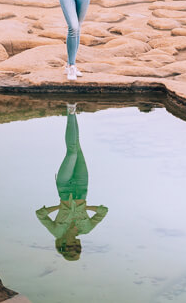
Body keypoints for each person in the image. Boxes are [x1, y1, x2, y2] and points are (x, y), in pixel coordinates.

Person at [35, 104, 108, 260]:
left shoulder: (57, 231)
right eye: (77, 248)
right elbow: (103, 211)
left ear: (63, 246)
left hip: (64, 186)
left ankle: (71, 110)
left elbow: (40, 214)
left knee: (72, 151)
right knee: (77, 146)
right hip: (82, 186)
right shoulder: (86, 229)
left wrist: (60, 206)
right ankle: (72, 111)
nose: (74, 244)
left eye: (70, 247)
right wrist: (85, 206)